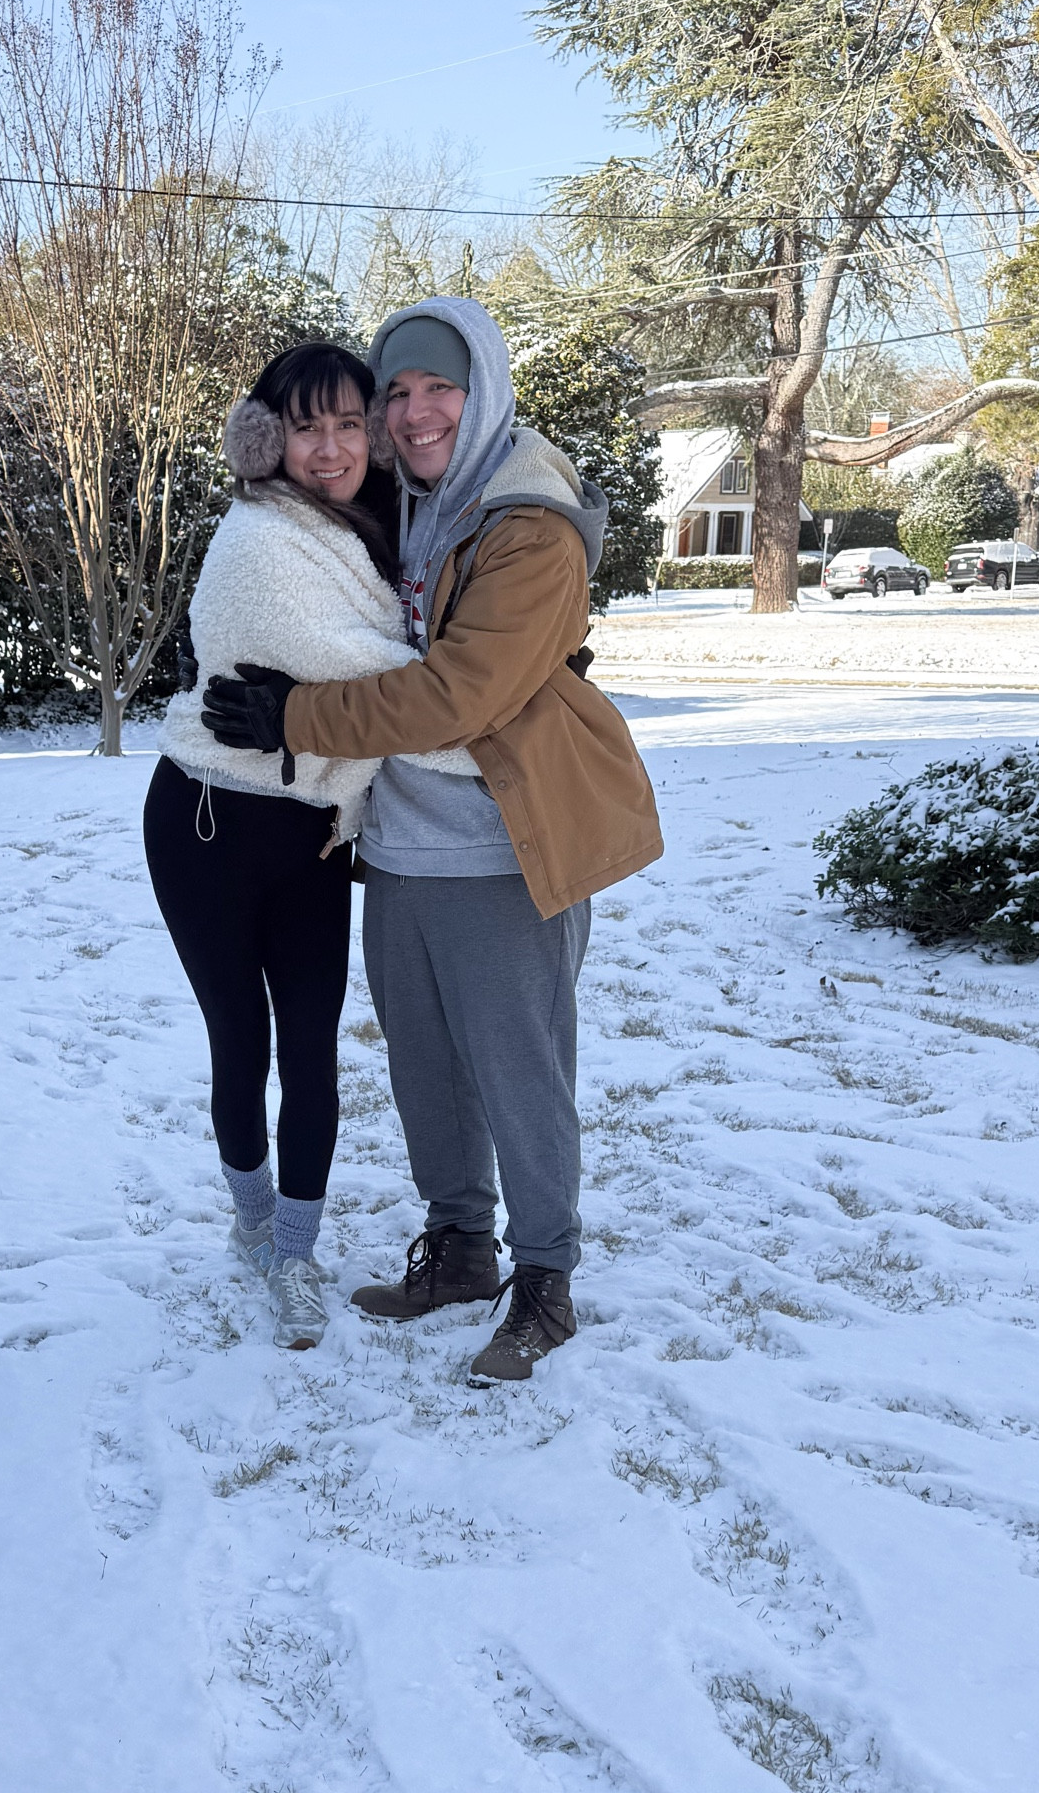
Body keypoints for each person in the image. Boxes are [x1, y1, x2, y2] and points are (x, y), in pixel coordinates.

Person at [202, 297, 663, 1382]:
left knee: (520, 1071)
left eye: (436, 389)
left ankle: (544, 1278)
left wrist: (296, 719)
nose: (411, 413)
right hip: (401, 846)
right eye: (395, 391)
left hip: (504, 847)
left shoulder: (529, 527)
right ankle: (459, 1245)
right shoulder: (406, 505)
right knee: (425, 1070)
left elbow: (454, 694)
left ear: (485, 388)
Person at [146, 341, 479, 1350]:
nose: (329, 447)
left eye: (347, 424)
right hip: (208, 821)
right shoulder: (257, 541)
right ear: (269, 437)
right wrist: (497, 701)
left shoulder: (377, 529)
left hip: (315, 833)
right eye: (304, 426)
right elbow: (374, 673)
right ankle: (255, 1224)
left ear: (374, 433)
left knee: (317, 1050)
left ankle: (296, 1251)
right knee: (241, 1044)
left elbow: (408, 649)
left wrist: (498, 663)